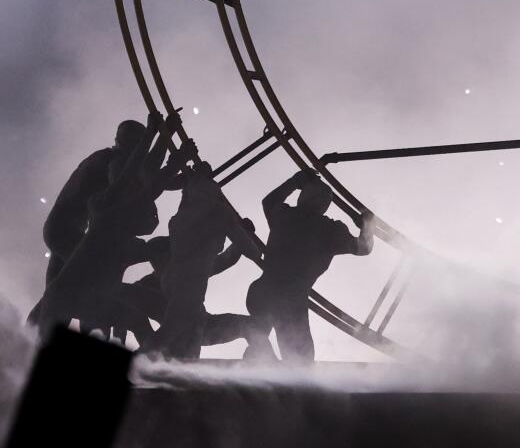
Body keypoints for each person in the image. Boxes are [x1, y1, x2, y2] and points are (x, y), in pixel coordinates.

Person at [34, 111, 179, 344]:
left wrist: (163, 138)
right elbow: (135, 177)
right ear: (131, 144)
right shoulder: (111, 163)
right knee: (93, 287)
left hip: (63, 230)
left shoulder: (107, 158)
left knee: (59, 292)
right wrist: (158, 137)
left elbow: (141, 172)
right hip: (68, 232)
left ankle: (30, 341)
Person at [244, 169, 375, 363]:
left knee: (259, 338)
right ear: (324, 205)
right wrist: (367, 224)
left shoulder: (284, 215)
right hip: (292, 301)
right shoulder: (330, 231)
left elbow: (268, 202)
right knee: (301, 360)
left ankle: (254, 362)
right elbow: (363, 248)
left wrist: (295, 181)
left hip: (261, 292)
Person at [156, 161, 257, 358]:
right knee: (179, 333)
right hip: (194, 307)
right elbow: (249, 254)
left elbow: (227, 259)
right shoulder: (219, 215)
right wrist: (243, 234)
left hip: (186, 299)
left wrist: (176, 162)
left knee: (176, 333)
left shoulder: (178, 223)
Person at [39, 120, 146, 289]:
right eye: (139, 144)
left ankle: (46, 314)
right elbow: (129, 182)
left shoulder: (102, 157)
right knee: (94, 281)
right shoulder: (110, 161)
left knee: (58, 291)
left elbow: (138, 178)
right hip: (66, 229)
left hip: (60, 227)